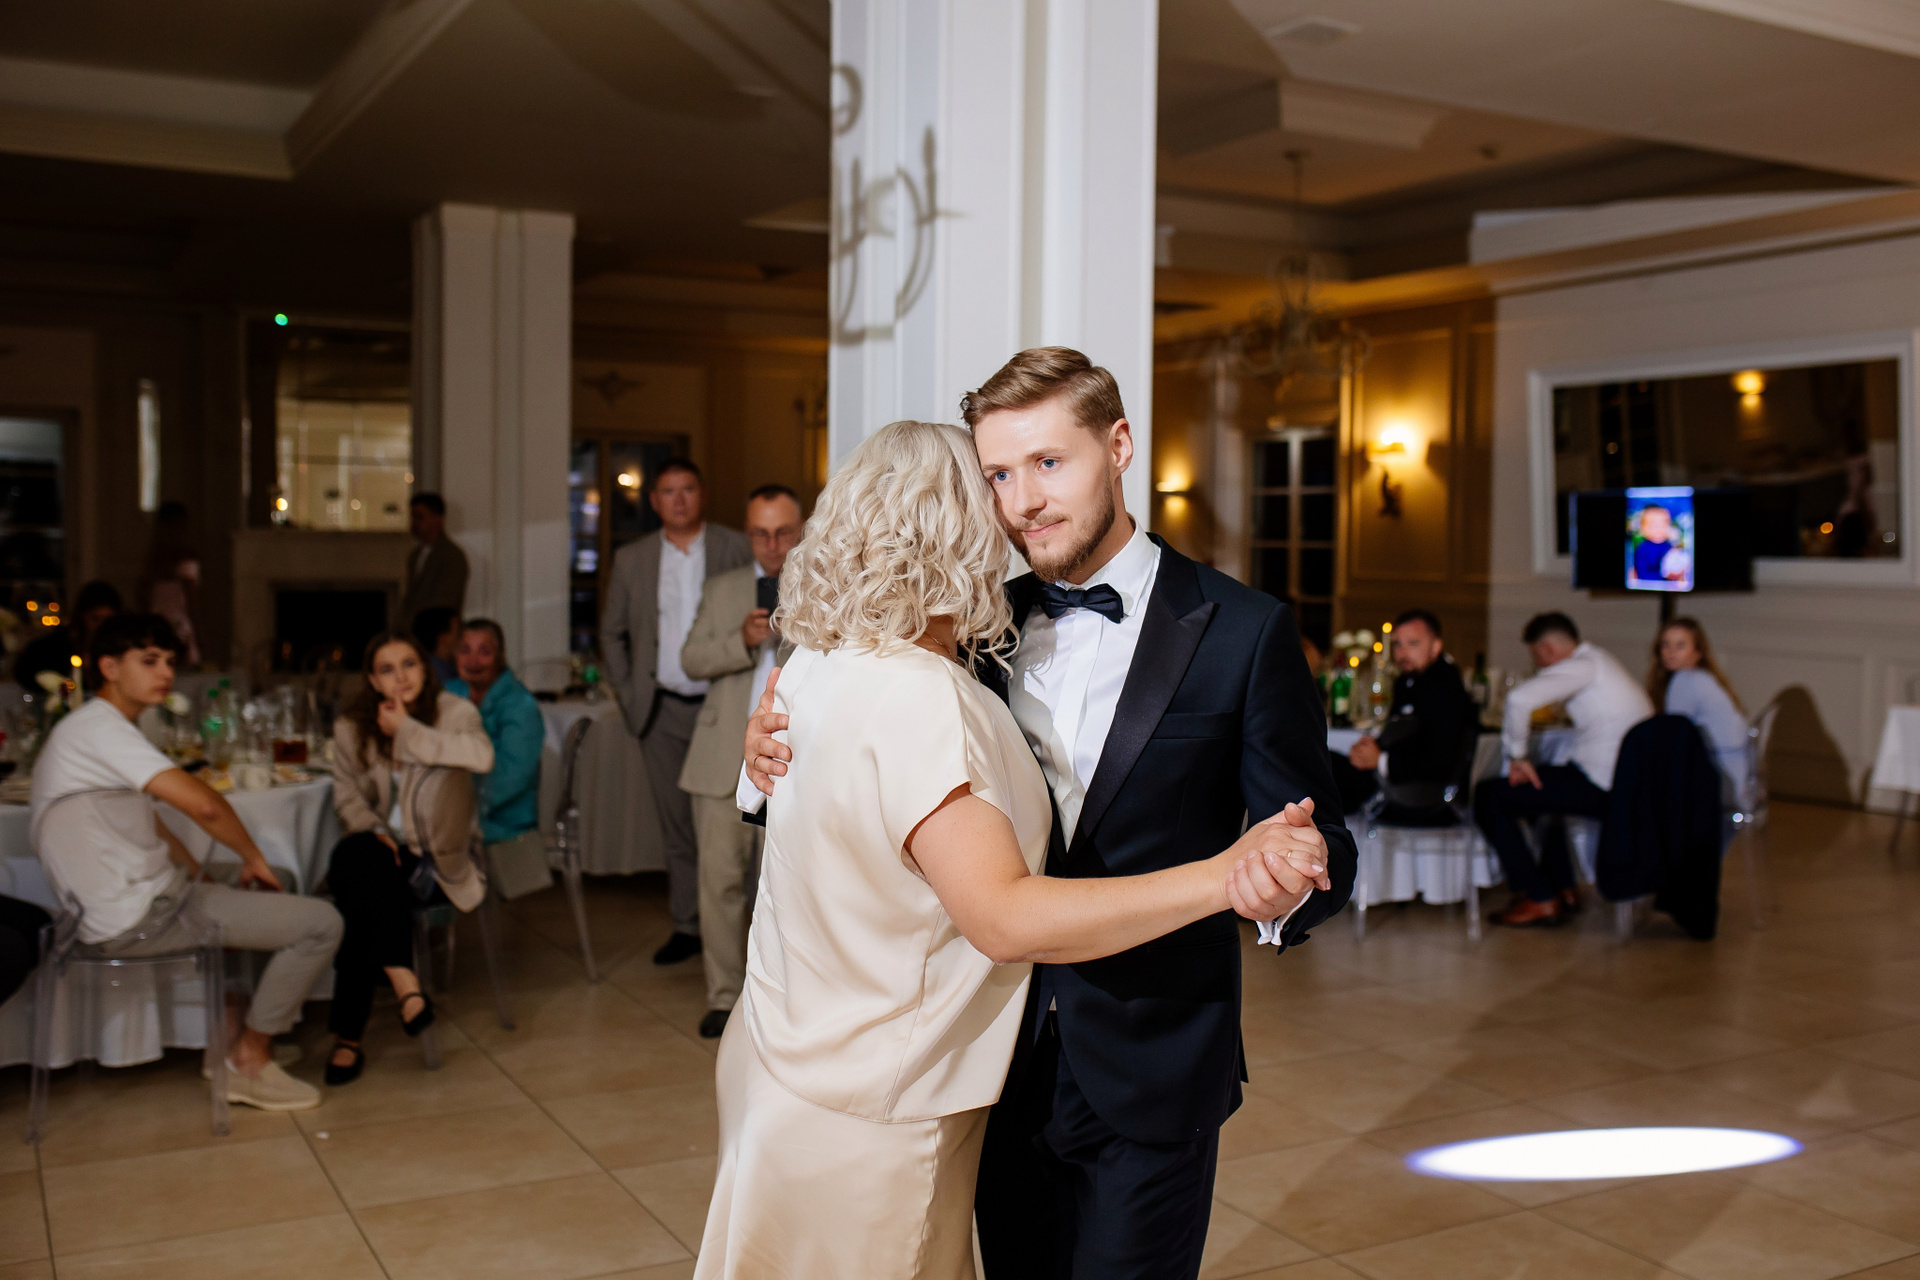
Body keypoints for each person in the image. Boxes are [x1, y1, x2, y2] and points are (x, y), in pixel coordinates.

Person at [745, 348, 1356, 1280]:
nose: (1023, 500)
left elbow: (1323, 840)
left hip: (1155, 1058)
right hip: (991, 1058)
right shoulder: (969, 623)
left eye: (1048, 462)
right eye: (998, 474)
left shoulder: (1243, 629)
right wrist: (769, 752)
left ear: (1118, 447)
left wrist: (1284, 881)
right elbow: (873, 750)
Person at [29, 613, 342, 1110]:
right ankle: (250, 1060)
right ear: (108, 667)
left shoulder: (99, 725)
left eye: (170, 662)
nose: (166, 673)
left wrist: (202, 874)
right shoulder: (100, 730)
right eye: (149, 661)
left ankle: (227, 1038)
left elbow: (152, 823)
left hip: (134, 895)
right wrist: (251, 856)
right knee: (322, 923)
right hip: (134, 914)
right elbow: (205, 805)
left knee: (275, 880)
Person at [322, 632, 494, 1086]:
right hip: (384, 855)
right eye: (387, 669)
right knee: (362, 860)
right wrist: (376, 831)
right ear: (371, 680)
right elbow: (347, 799)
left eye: (409, 664)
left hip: (438, 862)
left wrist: (407, 731)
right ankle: (404, 984)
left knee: (357, 888)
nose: (400, 677)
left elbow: (481, 757)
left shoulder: (455, 713)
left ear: (425, 669)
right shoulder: (351, 728)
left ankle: (348, 1038)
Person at [599, 460, 751, 967]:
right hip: (661, 709)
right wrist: (629, 694)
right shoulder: (633, 559)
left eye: (688, 489)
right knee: (678, 826)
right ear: (654, 501)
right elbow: (612, 632)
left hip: (724, 707)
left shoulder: (736, 546)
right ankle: (688, 924)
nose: (679, 499)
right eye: (668, 491)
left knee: (738, 824)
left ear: (701, 494)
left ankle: (745, 933)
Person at [677, 483, 805, 1040]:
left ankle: (780, 999)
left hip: (790, 761)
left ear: (802, 529)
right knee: (720, 884)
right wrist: (741, 639)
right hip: (718, 759)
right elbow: (689, 659)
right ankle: (723, 996)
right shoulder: (723, 588)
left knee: (787, 888)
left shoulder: (826, 584)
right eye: (760, 534)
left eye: (783, 532)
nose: (772, 545)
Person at [1473, 612, 1653, 927]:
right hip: (1626, 783)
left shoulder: (1583, 666)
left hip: (1606, 786)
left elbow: (1518, 700)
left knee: (1490, 796)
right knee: (1544, 791)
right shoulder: (1600, 660)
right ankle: (1562, 888)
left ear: (1547, 650)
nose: (1538, 664)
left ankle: (1539, 897)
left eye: (1536, 656)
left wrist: (1517, 756)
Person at [1328, 609, 1478, 823]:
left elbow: (1441, 760)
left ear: (1436, 646)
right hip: (1393, 780)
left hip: (1416, 794)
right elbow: (1402, 734)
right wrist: (1371, 749)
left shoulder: (1445, 688)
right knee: (1320, 760)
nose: (1402, 652)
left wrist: (1380, 760)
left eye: (1413, 643)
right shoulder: (1408, 681)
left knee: (1318, 769)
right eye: (1398, 644)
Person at [447, 619, 550, 898]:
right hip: (454, 807)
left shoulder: (520, 704)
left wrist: (461, 809)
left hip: (501, 817)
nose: (473, 660)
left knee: (426, 839)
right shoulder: (448, 694)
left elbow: (513, 776)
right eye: (465, 650)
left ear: (500, 656)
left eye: (484, 651)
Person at [1649, 617, 1748, 808]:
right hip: (1736, 776)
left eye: (1680, 646)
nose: (1671, 652)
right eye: (1666, 645)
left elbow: (1671, 739)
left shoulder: (1685, 680)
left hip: (1721, 780)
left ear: (1697, 652)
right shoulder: (1704, 678)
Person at [13, 579, 120, 689]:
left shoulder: (119, 649)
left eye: (108, 621)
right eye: (95, 619)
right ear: (82, 616)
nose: (101, 626)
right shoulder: (56, 645)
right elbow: (25, 673)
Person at [396, 493, 469, 631]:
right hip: (413, 628)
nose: (414, 523)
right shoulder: (415, 555)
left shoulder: (451, 555)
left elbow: (446, 602)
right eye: (412, 517)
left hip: (436, 631)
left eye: (420, 517)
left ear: (437, 519)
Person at [142, 500, 202, 666]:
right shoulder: (180, 556)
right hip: (172, 624)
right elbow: (191, 601)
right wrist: (199, 633)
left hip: (161, 623)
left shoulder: (154, 558)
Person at [411, 605, 461, 687]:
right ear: (443, 639)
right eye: (459, 633)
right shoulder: (437, 675)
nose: (464, 639)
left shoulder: (449, 669)